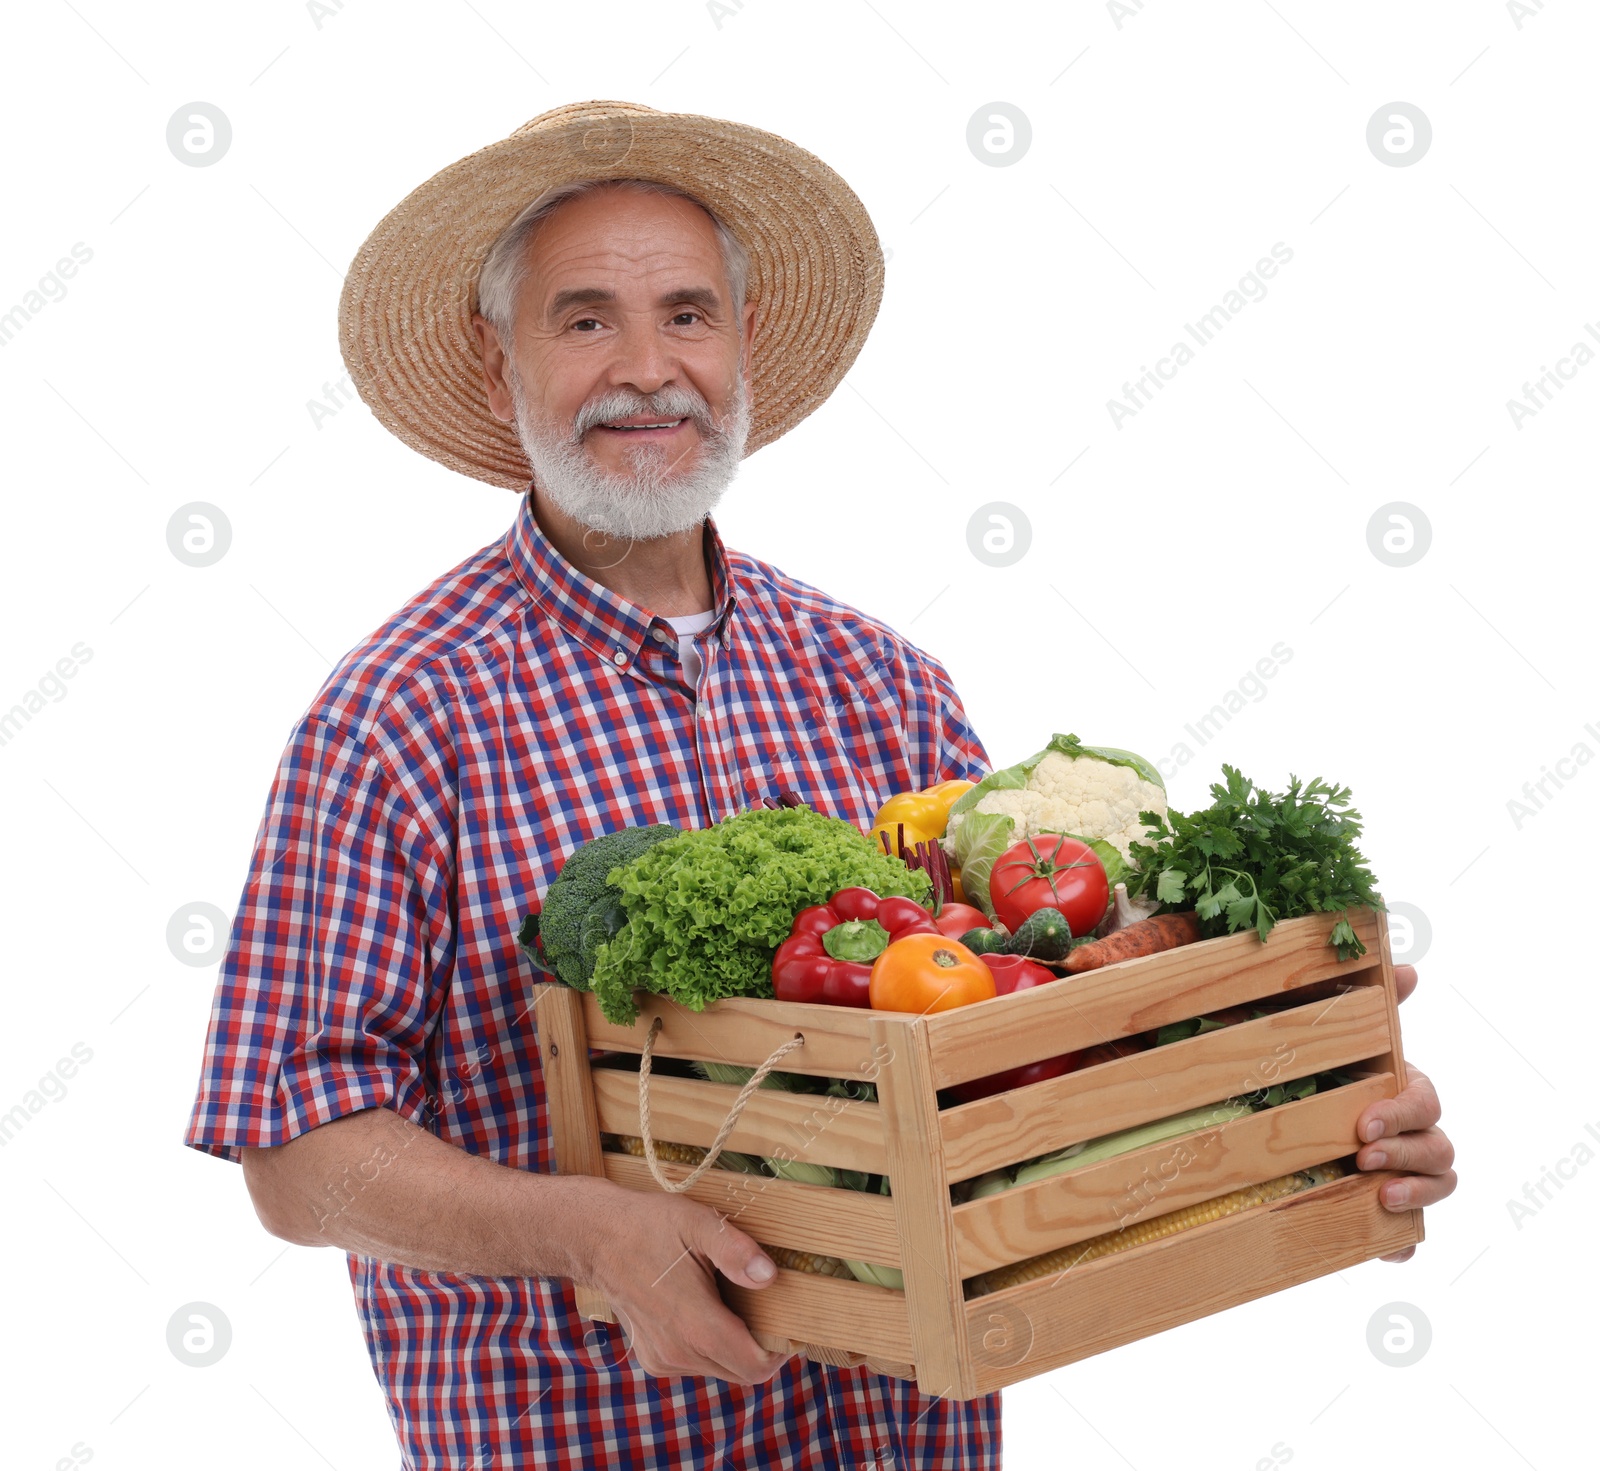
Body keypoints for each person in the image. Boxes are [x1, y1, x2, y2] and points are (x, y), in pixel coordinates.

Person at [183, 101, 1456, 1469]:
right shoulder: (398, 719)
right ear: (498, 372)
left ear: (743, 348)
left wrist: (1299, 1109)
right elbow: (295, 1149)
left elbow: (1024, 1042)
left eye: (686, 312)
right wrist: (586, 1231)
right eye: (583, 320)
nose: (648, 368)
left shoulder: (879, 682)